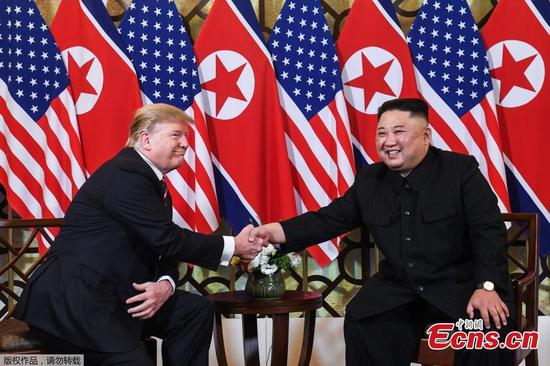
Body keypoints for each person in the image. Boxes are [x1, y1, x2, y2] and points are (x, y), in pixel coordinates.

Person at [250, 98, 515, 365]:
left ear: (426, 136)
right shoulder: (369, 180)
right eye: (381, 133)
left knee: (487, 328)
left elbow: (489, 232)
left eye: (399, 131)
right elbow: (329, 219)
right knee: (362, 317)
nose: (388, 141)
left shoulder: (461, 171)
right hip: (399, 291)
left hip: (460, 287)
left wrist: (487, 286)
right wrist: (276, 231)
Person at [14, 103, 266, 366]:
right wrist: (233, 246)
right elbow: (167, 238)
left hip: (119, 297)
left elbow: (164, 247)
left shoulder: (150, 181)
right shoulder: (126, 175)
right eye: (176, 135)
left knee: (194, 311)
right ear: (145, 139)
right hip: (76, 306)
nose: (185, 144)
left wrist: (165, 285)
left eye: (186, 137)